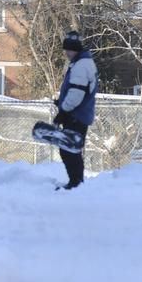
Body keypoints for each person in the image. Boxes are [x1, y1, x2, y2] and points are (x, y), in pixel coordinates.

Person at [54, 30, 98, 189]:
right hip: (79, 114)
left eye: (68, 49)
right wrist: (61, 102)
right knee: (72, 149)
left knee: (69, 150)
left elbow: (77, 93)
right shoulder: (83, 62)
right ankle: (76, 183)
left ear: (75, 49)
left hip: (76, 115)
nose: (65, 52)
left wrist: (63, 111)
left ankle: (76, 183)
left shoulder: (81, 65)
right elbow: (78, 90)